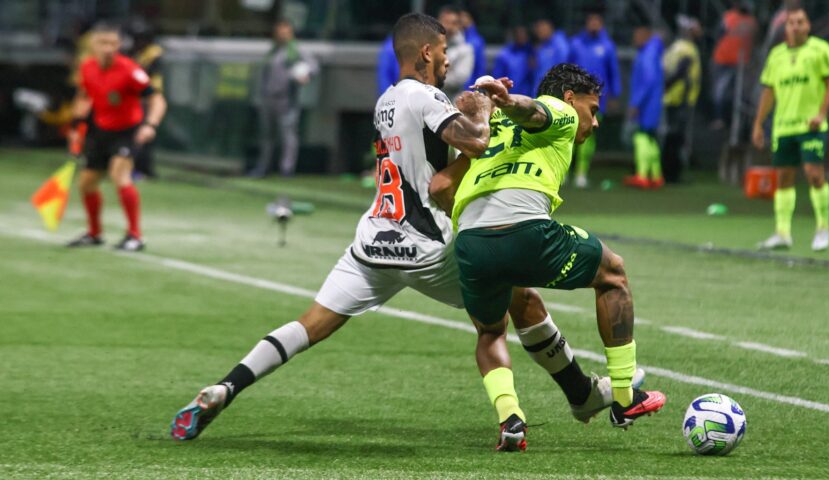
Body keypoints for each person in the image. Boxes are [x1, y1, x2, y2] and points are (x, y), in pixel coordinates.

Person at [170, 13, 630, 451]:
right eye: (446, 51)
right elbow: (471, 145)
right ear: (426, 53)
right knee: (515, 303)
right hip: (427, 244)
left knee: (307, 326)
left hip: (373, 241)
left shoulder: (385, 101)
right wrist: (485, 108)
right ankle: (562, 401)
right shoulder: (424, 96)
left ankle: (226, 386)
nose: (449, 61)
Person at [453, 64, 666, 434]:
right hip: (524, 231)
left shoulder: (491, 122)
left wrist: (488, 102)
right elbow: (534, 111)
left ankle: (511, 420)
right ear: (570, 98)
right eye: (594, 110)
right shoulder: (561, 110)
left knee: (491, 331)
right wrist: (510, 99)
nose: (595, 122)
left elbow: (442, 183)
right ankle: (624, 399)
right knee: (612, 273)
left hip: (470, 241)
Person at [66, 23, 166, 252]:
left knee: (118, 174)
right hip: (100, 131)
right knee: (87, 183)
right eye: (103, 43)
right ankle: (94, 234)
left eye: (113, 43)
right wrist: (76, 125)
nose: (108, 48)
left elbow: (157, 99)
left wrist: (151, 125)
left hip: (127, 131)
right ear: (92, 44)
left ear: (120, 45)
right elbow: (84, 96)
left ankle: (135, 236)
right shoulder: (88, 67)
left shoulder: (131, 71)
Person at [753, 7, 829, 252]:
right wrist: (759, 123)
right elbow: (768, 92)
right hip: (783, 127)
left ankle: (823, 228)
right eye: (791, 23)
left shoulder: (820, 49)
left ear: (808, 25)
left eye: (800, 22)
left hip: (810, 125)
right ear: (786, 27)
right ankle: (782, 233)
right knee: (783, 179)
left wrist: (821, 113)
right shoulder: (776, 55)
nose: (796, 27)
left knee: (814, 174)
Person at [249, 19, 318, 177]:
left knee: (288, 134)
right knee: (267, 135)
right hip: (268, 97)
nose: (282, 34)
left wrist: (305, 74)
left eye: (285, 31)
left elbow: (313, 66)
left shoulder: (296, 50)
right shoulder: (273, 51)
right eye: (279, 31)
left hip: (286, 99)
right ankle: (263, 167)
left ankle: (286, 169)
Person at [568, 9, 621, 188]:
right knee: (568, 134)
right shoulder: (576, 43)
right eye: (591, 21)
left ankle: (581, 173)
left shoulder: (607, 46)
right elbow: (566, 69)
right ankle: (564, 171)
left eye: (597, 22)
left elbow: (613, 72)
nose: (594, 25)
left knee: (588, 136)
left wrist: (615, 94)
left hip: (596, 100)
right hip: (574, 98)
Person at [661, 15, 702, 183]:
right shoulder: (688, 49)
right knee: (676, 138)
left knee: (671, 137)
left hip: (670, 98)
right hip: (680, 99)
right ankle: (672, 174)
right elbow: (681, 72)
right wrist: (670, 86)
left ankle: (666, 171)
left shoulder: (673, 48)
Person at [624, 24, 665, 189]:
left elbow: (647, 81)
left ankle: (642, 175)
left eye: (637, 36)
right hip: (654, 102)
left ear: (645, 36)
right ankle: (656, 175)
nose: (635, 39)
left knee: (641, 137)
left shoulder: (647, 54)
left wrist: (636, 103)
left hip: (647, 104)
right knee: (650, 139)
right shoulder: (653, 51)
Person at [125, 18, 164, 179]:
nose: (137, 42)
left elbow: (145, 73)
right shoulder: (135, 52)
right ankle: (132, 167)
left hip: (150, 97)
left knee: (145, 134)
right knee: (133, 135)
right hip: (136, 98)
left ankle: (144, 169)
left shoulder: (154, 52)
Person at [710, 1, 757, 129]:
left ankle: (734, 123)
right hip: (724, 59)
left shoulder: (749, 21)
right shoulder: (730, 17)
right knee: (722, 91)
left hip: (739, 63)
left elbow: (717, 34)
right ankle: (721, 119)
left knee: (736, 95)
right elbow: (718, 34)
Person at [437, 6, 474, 99]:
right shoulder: (429, 44)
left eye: (453, 23)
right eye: (445, 22)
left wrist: (431, 79)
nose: (448, 27)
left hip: (451, 103)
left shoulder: (465, 49)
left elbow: (459, 78)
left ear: (459, 25)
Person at [491, 26, 534, 96]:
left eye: (523, 35)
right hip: (509, 96)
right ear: (514, 36)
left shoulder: (532, 53)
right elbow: (497, 77)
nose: (521, 37)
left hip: (528, 97)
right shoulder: (504, 54)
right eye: (518, 35)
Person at [532, 19, 568, 97]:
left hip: (553, 93)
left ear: (549, 26)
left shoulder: (560, 45)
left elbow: (562, 70)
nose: (538, 31)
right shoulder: (541, 45)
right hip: (540, 92)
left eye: (540, 27)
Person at [460, 9, 486, 87]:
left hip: (469, 85)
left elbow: (479, 67)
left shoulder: (476, 41)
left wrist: (478, 86)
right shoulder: (457, 36)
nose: (461, 19)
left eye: (464, 16)